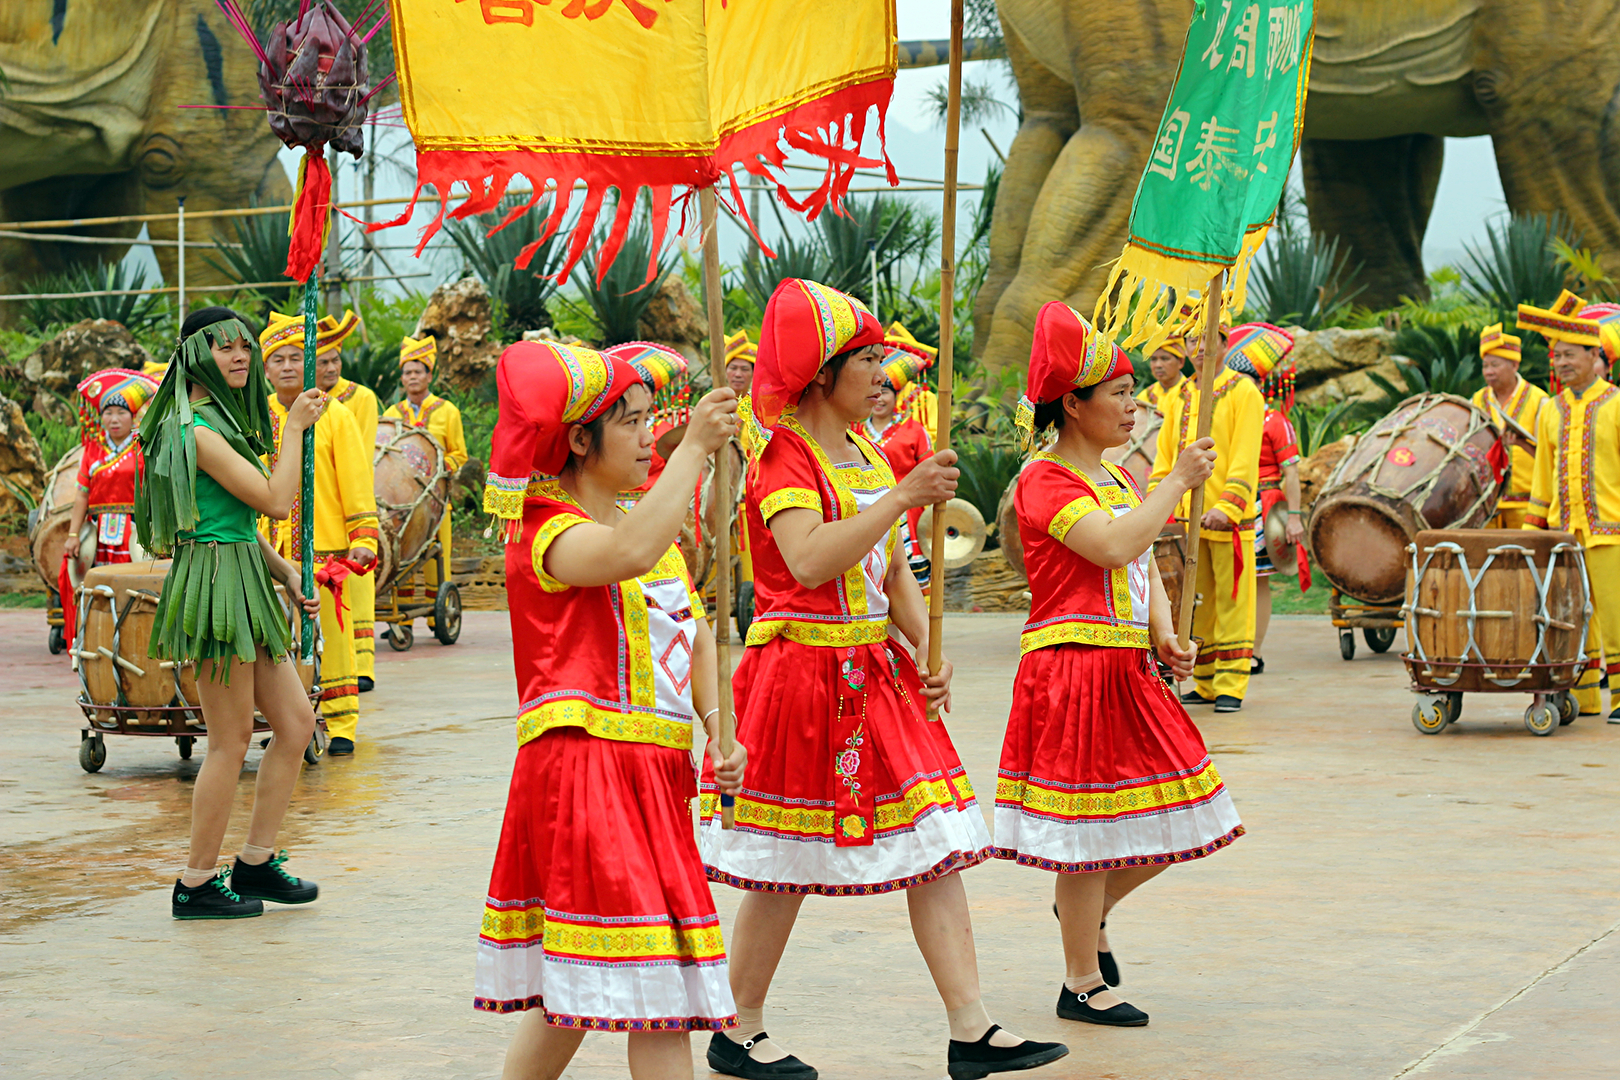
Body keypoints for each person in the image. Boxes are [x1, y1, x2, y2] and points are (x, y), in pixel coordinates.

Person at [699, 279, 1068, 1080]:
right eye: (865, 359)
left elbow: (890, 562)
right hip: (802, 672)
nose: (882, 374)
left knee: (936, 843)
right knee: (784, 862)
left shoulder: (864, 449)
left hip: (877, 673)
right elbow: (808, 559)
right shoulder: (781, 454)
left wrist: (926, 645)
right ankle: (739, 1025)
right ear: (820, 373)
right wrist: (903, 493)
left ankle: (971, 1028)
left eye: (880, 359)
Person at [473, 339, 748, 1079]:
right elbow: (623, 552)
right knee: (649, 982)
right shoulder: (544, 532)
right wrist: (695, 447)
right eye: (631, 422)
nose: (650, 435)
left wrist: (720, 731)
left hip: (654, 775)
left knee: (611, 988)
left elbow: (694, 639)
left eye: (655, 419)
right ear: (579, 439)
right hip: (586, 772)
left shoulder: (650, 530)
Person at [995, 301, 1241, 1028]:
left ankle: (1085, 913)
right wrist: (1176, 483)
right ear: (1072, 404)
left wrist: (1165, 633)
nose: (1134, 406)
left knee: (1180, 816)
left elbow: (1146, 567)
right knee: (1089, 837)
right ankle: (1080, 980)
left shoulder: (1118, 478)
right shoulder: (1044, 480)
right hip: (1072, 668)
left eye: (1135, 391)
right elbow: (1110, 547)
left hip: (1127, 668)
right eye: (1120, 394)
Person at [135, 306, 326, 920]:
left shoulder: (216, 420)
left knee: (295, 725)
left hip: (243, 576)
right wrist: (294, 428)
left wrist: (286, 571)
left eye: (245, 346)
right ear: (193, 354)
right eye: (224, 348)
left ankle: (254, 863)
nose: (240, 356)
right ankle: (194, 883)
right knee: (230, 740)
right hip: (216, 587)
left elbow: (239, 524)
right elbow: (273, 499)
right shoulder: (192, 430)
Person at [259, 312, 379, 756]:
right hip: (270, 552)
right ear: (266, 368)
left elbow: (355, 480)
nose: (288, 366)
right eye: (278, 360)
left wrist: (364, 537)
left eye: (296, 358)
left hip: (324, 550)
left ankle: (343, 722)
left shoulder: (337, 414)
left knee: (333, 637)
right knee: (280, 645)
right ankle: (290, 722)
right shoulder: (255, 417)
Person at [1148, 306, 1264, 712]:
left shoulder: (1242, 391)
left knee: (1234, 599)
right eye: (1192, 340)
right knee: (1197, 601)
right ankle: (1206, 678)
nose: (1199, 347)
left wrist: (1229, 506)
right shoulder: (1179, 395)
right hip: (1186, 520)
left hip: (1226, 517)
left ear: (1223, 343)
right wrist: (1156, 502)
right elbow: (1165, 456)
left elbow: (1246, 455)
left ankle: (1232, 682)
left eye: (1206, 339)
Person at [1517, 290, 1620, 720]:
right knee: (1573, 618)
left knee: (1616, 618)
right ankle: (1587, 697)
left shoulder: (1616, 404)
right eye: (1556, 356)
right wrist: (1532, 533)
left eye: (1569, 355)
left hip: (1611, 531)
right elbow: (1542, 473)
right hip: (1565, 534)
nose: (1560, 363)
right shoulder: (1550, 410)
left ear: (1593, 355)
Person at [1220, 323, 1305, 675]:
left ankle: (1252, 651)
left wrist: (1295, 517)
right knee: (1228, 576)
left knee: (1257, 579)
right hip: (1230, 500)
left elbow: (1292, 473)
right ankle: (1225, 647)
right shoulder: (1226, 414)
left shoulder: (1276, 421)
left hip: (1264, 505)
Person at [60, 368, 158, 643]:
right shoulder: (92, 449)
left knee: (137, 585)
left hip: (135, 530)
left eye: (121, 413)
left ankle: (136, 640)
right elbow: (82, 494)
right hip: (98, 530)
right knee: (92, 585)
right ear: (100, 417)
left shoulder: (143, 447)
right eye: (108, 413)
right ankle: (95, 638)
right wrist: (72, 535)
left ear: (133, 416)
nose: (114, 420)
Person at [314, 310, 383, 691]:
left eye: (335, 360)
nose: (330, 367)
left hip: (352, 498)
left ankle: (363, 667)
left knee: (357, 585)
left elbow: (362, 453)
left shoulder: (359, 399)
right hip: (320, 507)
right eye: (322, 361)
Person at [383, 334, 467, 632]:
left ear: (429, 376)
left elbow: (459, 453)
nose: (412, 377)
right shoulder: (392, 415)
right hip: (401, 502)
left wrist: (441, 470)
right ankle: (402, 617)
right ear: (402, 379)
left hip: (437, 501)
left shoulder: (447, 411)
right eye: (407, 372)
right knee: (401, 554)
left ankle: (436, 615)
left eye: (418, 371)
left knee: (435, 557)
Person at [860, 329, 935, 588]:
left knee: (910, 582)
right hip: (866, 509)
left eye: (886, 392)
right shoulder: (855, 430)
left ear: (897, 397)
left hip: (909, 514)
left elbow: (930, 472)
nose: (880, 398)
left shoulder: (914, 430)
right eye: (876, 392)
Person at [1469, 325, 1547, 531]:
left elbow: (1548, 452)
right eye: (1485, 366)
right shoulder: (1477, 400)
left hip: (1528, 505)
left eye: (1495, 365)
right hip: (1487, 503)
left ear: (1514, 365)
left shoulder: (1539, 400)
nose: (1488, 372)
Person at [1136, 338, 1186, 410]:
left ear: (1181, 362)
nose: (1158, 365)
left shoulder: (1192, 392)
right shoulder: (1145, 396)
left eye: (1165, 359)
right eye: (1153, 359)